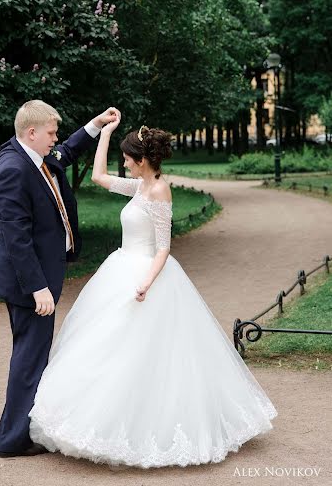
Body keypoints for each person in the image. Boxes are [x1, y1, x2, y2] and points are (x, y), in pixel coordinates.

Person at [28, 118, 277, 468]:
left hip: (146, 274)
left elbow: (163, 248)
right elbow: (99, 177)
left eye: (128, 158)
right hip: (120, 269)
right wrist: (107, 133)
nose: (125, 162)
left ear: (142, 160)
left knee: (149, 356)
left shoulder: (158, 191)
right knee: (106, 346)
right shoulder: (139, 186)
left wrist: (145, 282)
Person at [0, 99, 120, 458]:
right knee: (29, 359)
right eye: (51, 133)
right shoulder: (14, 169)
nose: (56, 139)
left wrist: (93, 126)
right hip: (28, 284)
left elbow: (65, 153)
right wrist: (37, 288)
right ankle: (13, 440)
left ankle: (21, 428)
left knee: (31, 356)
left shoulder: (35, 156)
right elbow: (14, 237)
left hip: (38, 278)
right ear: (31, 133)